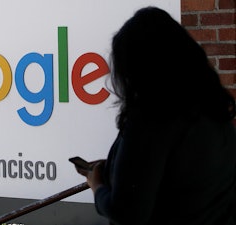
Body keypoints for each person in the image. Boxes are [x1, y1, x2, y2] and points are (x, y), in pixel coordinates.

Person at [76, 6, 236, 225]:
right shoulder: (213, 107)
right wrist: (117, 166)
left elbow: (127, 212)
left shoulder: (153, 119)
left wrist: (97, 186)